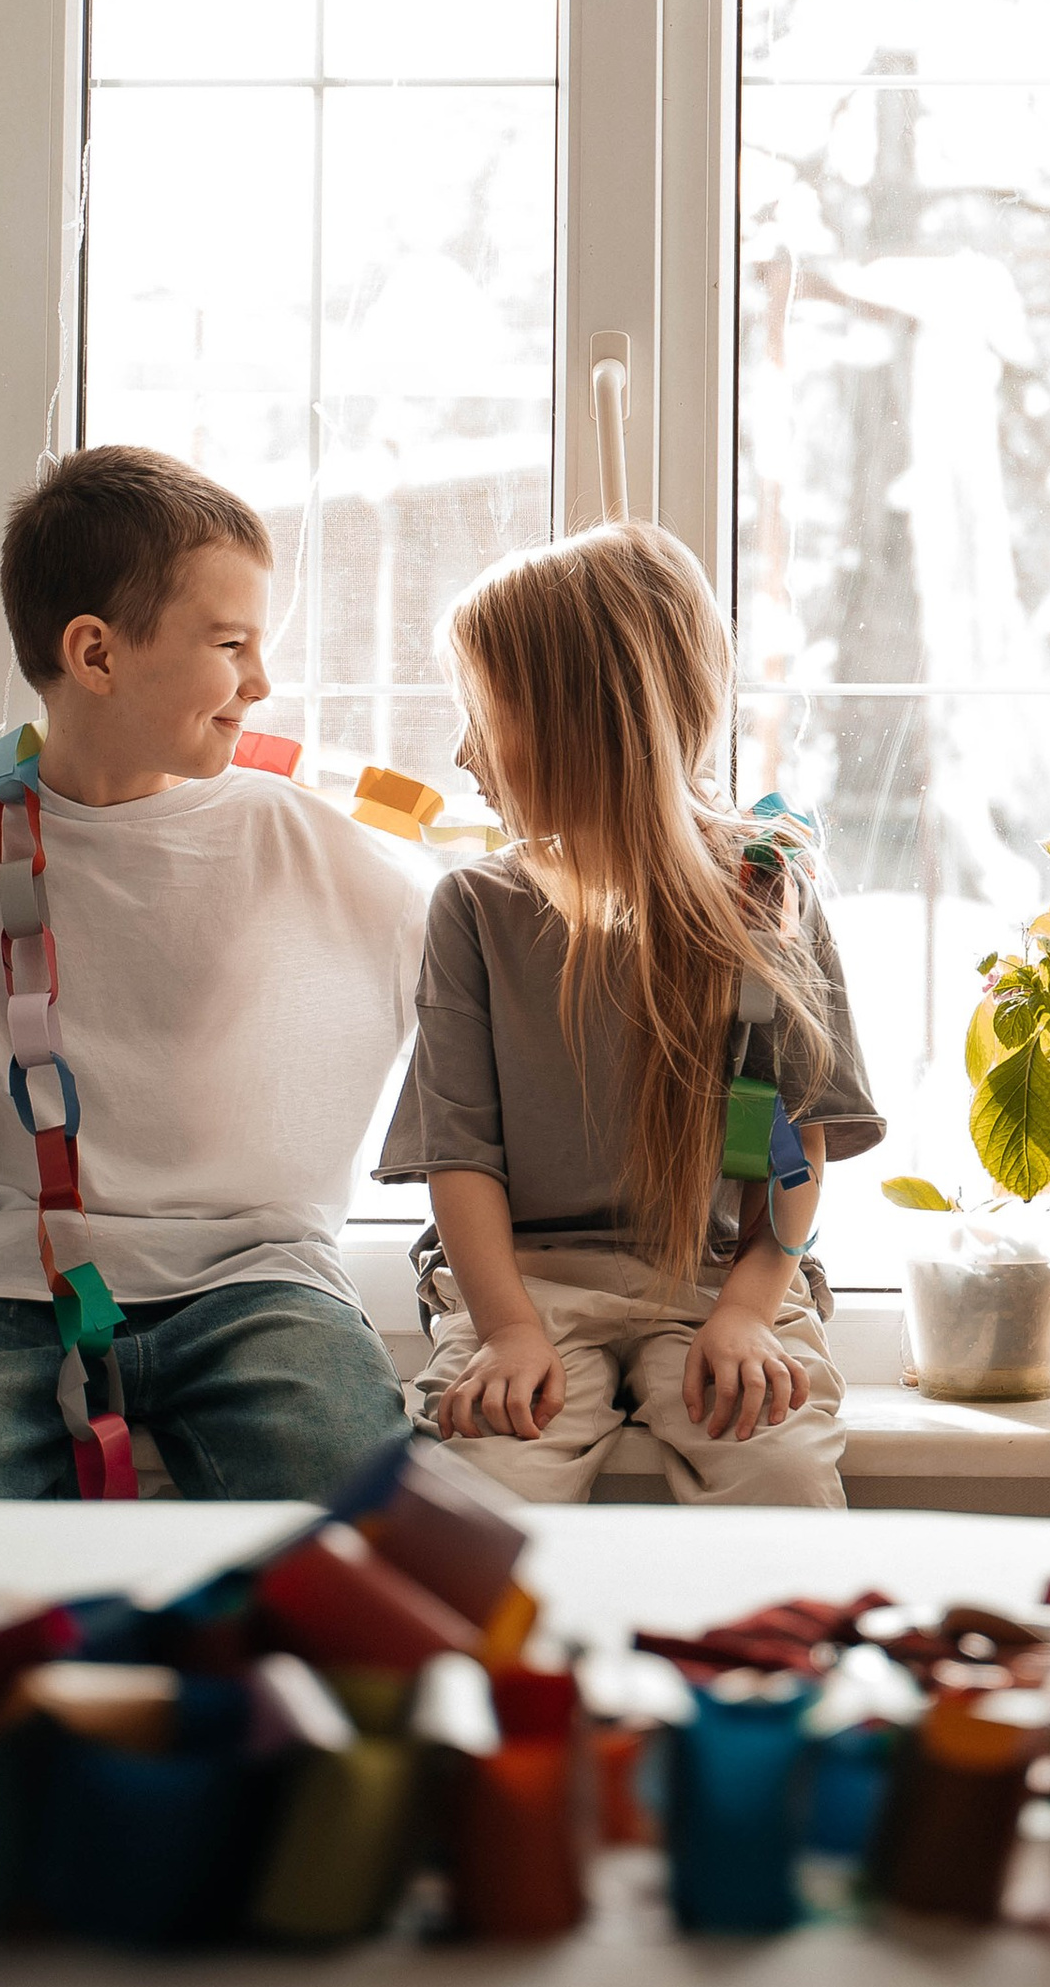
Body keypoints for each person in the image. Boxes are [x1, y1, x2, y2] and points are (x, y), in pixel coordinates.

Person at [0, 447, 424, 1500]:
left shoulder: (300, 837)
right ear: (95, 653)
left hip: (256, 1281)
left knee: (365, 1527)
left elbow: (487, 968)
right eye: (231, 644)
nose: (262, 683)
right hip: (4, 1289)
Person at [378, 523, 882, 1506]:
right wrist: (508, 1330)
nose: (461, 752)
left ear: (580, 725)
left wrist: (748, 1312)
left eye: (483, 715)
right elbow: (460, 1157)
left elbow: (795, 1145)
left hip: (720, 1280)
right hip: (524, 1286)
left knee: (779, 1477)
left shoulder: (766, 893)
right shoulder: (475, 907)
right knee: (481, 1491)